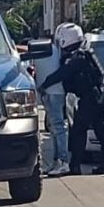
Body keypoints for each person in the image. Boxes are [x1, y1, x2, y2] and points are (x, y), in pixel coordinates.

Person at [38, 23, 104, 176]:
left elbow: (61, 74)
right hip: (101, 94)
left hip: (90, 97)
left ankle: (75, 166)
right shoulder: (86, 53)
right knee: (101, 130)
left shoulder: (76, 57)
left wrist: (44, 85)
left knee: (79, 131)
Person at [34, 25, 70, 177]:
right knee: (55, 128)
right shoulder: (52, 50)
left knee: (58, 127)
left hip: (53, 93)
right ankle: (57, 161)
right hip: (50, 92)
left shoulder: (48, 49)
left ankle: (63, 161)